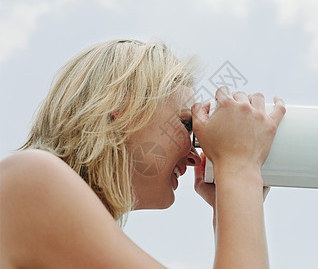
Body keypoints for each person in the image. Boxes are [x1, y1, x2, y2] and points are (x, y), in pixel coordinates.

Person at [0, 39, 286, 268]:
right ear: (121, 105)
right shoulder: (31, 179)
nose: (195, 155)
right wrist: (239, 168)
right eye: (186, 124)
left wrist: (231, 204)